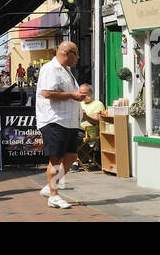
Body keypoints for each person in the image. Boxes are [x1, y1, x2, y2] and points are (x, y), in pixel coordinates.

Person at [36, 41, 88, 209]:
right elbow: (47, 93)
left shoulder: (67, 71)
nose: (78, 57)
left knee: (71, 156)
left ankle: (50, 186)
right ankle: (54, 195)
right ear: (67, 53)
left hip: (69, 121)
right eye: (76, 53)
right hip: (54, 120)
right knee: (56, 158)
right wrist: (72, 95)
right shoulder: (51, 69)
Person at [78, 83, 107, 170]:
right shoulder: (80, 103)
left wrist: (86, 117)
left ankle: (75, 161)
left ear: (91, 92)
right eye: (80, 93)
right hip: (77, 129)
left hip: (88, 133)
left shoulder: (97, 104)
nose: (82, 96)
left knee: (71, 136)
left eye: (84, 93)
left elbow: (96, 122)